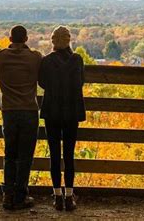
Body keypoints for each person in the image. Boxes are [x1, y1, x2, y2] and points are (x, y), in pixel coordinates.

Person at [0, 25, 43, 210]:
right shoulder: (35, 58)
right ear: (26, 38)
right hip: (29, 109)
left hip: (9, 111)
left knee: (10, 154)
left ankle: (7, 195)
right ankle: (21, 196)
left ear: (9, 38)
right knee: (25, 157)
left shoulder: (0, 56)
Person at [38, 26, 86, 211]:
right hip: (72, 112)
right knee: (69, 154)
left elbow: (42, 82)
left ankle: (57, 195)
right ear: (68, 41)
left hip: (52, 111)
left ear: (53, 42)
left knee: (55, 154)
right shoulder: (77, 60)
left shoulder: (47, 61)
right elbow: (81, 81)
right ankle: (69, 196)